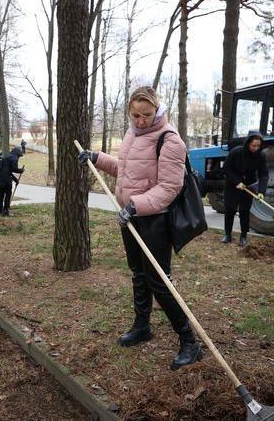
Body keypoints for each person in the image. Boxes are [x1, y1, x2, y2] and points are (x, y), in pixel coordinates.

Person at [78, 86, 201, 371]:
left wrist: (135, 205)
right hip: (130, 215)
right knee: (138, 274)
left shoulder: (170, 140)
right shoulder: (133, 133)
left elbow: (170, 187)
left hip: (155, 219)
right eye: (135, 115)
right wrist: (96, 157)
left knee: (159, 280)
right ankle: (142, 326)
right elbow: (126, 170)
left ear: (157, 109)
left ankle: (189, 342)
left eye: (146, 115)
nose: (141, 120)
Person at [222, 132, 269, 248]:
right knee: (230, 209)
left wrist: (261, 191)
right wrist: (236, 182)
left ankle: (243, 236)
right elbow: (226, 169)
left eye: (258, 146)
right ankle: (227, 234)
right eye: (254, 145)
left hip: (249, 185)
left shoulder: (261, 156)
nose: (256, 148)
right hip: (233, 184)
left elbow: (264, 174)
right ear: (248, 143)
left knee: (244, 211)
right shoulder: (236, 152)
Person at [0, 147, 24, 216]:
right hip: (5, 180)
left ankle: (0, 211)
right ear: (17, 154)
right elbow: (13, 169)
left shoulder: (7, 157)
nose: (19, 157)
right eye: (19, 156)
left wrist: (15, 180)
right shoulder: (14, 158)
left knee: (1, 194)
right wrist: (20, 170)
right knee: (8, 194)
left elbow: (7, 171)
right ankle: (6, 211)